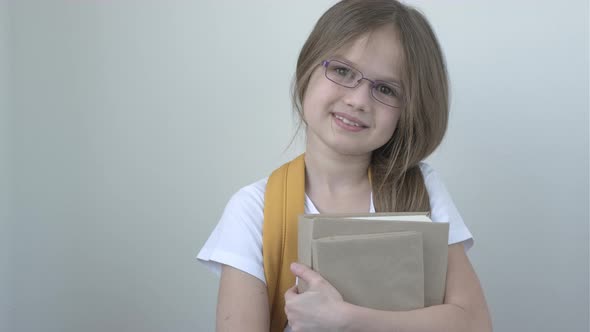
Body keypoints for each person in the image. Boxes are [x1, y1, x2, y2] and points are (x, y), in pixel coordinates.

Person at [197, 0, 492, 331]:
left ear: (408, 109)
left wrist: (346, 319)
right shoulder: (254, 210)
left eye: (385, 88)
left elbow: (475, 323)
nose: (358, 100)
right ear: (308, 67)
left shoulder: (422, 189)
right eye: (341, 71)